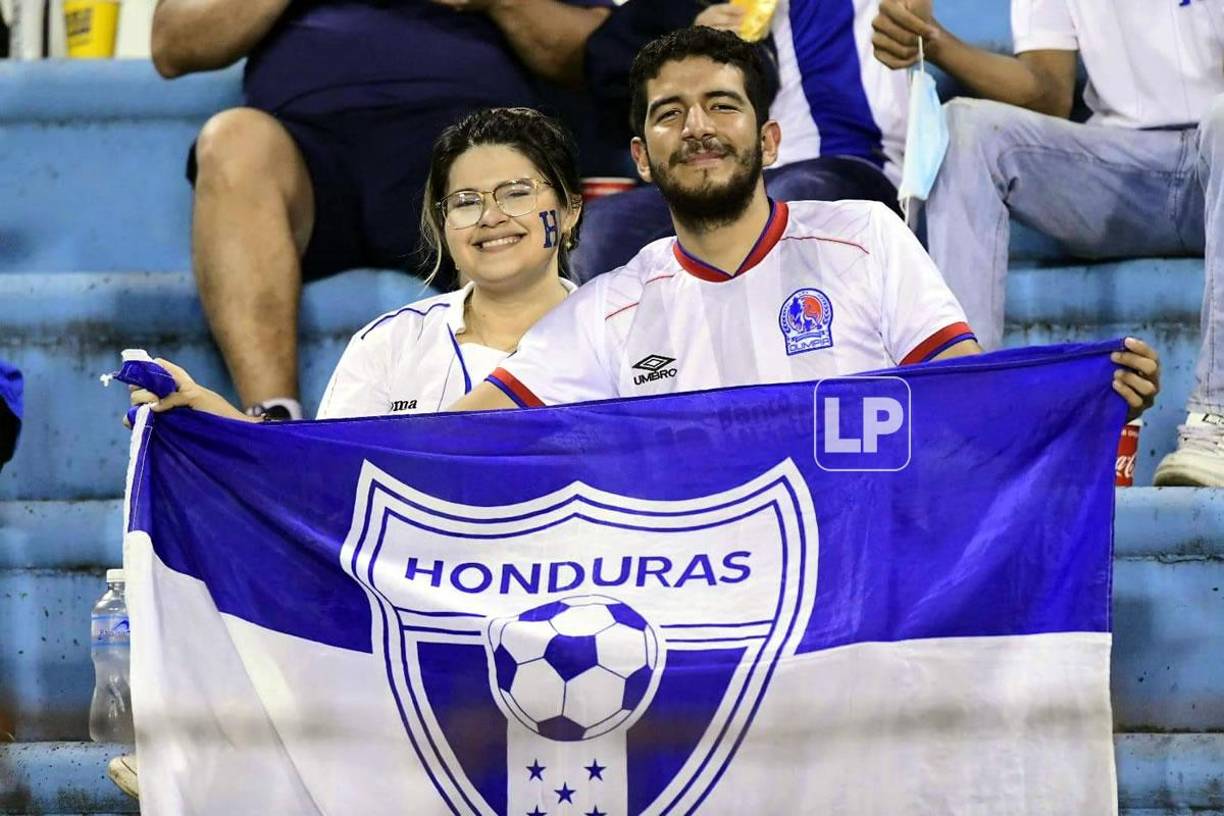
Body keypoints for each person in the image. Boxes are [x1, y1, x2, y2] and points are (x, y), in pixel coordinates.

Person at [449, 26, 1160, 418]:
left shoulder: (864, 239)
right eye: (670, 114)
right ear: (641, 157)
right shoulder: (609, 307)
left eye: (723, 106)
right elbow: (463, 431)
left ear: (769, 142)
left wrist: (1082, 395)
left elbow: (964, 396)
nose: (697, 127)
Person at [151, 0, 609, 422]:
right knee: (234, 140)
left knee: (495, 170)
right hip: (308, 158)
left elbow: (604, 54)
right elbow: (173, 45)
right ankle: (273, 423)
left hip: (461, 143)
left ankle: (519, 428)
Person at [869, 0, 1219, 484]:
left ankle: (1215, 421)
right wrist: (936, 41)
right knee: (966, 127)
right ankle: (968, 429)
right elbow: (1049, 92)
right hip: (1124, 171)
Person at [129, 108, 583, 423]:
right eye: (465, 202)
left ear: (569, 211)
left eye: (517, 193)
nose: (491, 216)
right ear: (443, 225)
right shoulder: (389, 344)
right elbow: (326, 474)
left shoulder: (623, 330)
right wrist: (213, 416)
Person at [439, 0, 908, 283]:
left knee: (784, 204)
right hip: (722, 171)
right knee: (599, 231)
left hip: (851, 162)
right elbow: (607, 66)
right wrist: (690, 48)